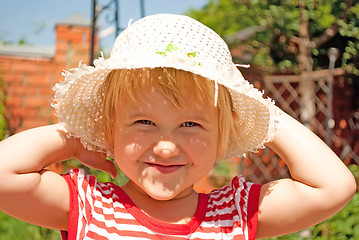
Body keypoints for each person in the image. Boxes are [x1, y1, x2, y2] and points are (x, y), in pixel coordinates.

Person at [0, 14, 356, 240]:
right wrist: (79, 141)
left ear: (222, 134)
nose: (166, 147)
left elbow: (333, 187)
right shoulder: (90, 206)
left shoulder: (232, 215)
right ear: (110, 130)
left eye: (190, 123)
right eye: (144, 122)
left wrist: (259, 108)